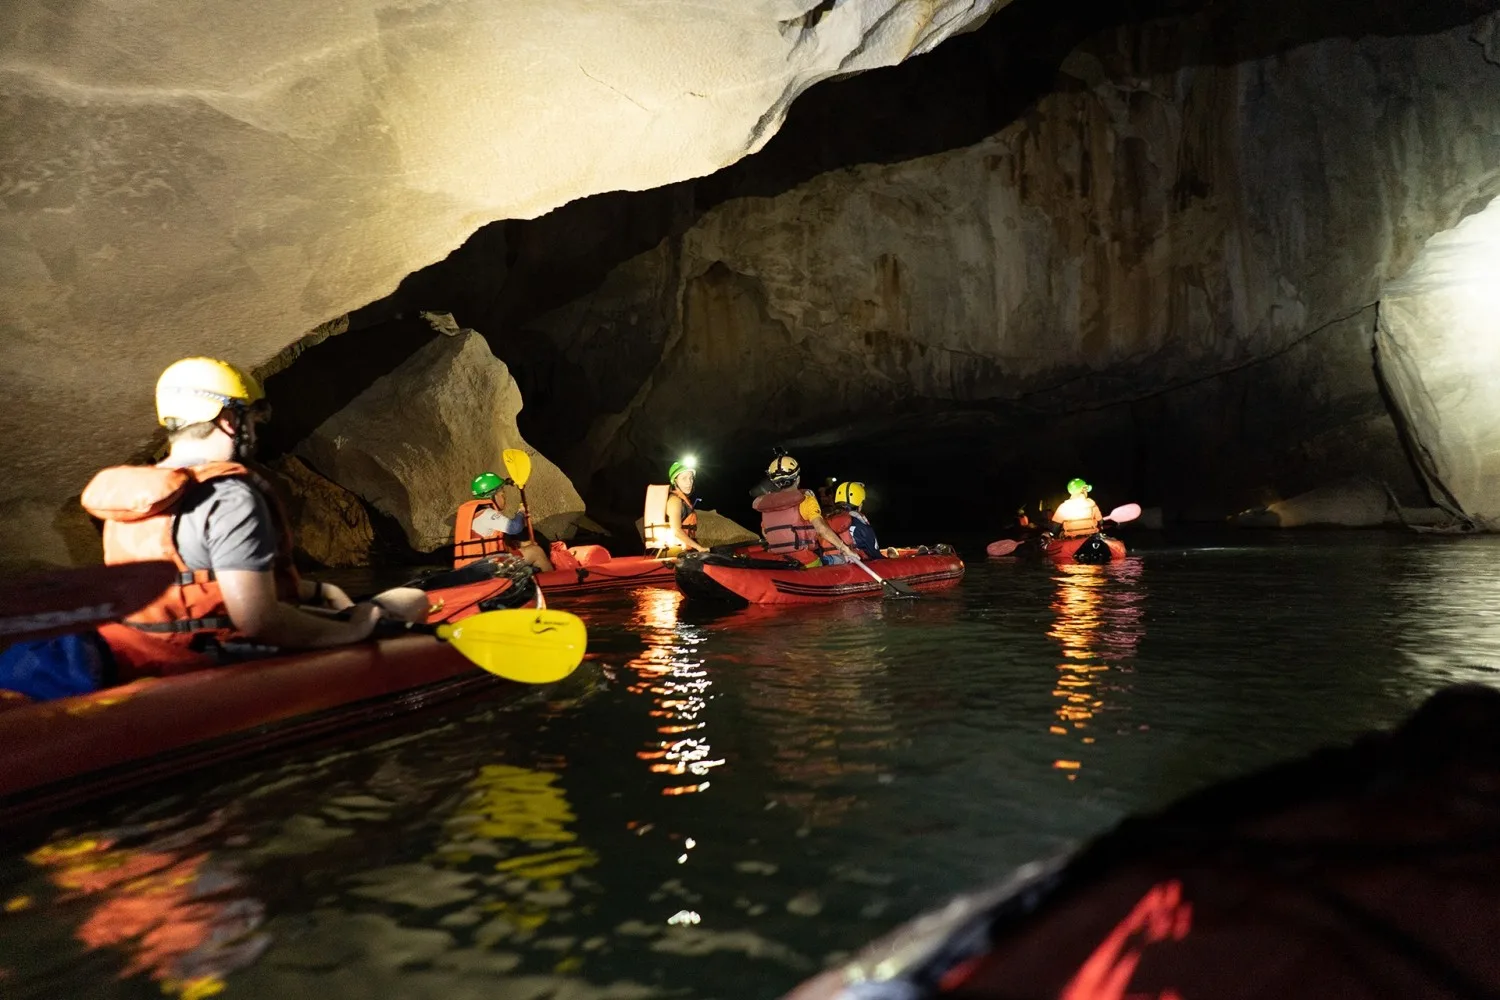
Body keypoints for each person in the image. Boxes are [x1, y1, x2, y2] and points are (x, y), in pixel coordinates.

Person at [79, 358, 393, 680]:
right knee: (406, 602)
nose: (255, 431)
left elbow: (201, 579)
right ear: (229, 421)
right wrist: (354, 631)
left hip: (146, 656)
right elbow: (258, 620)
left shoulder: (132, 496)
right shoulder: (229, 497)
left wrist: (315, 591)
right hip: (215, 662)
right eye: (252, 420)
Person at [750, 452, 861, 567]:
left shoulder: (768, 505)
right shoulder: (805, 499)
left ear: (776, 483)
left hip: (781, 562)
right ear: (797, 478)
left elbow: (765, 532)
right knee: (842, 560)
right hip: (807, 561)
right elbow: (821, 529)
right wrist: (845, 549)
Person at [456, 471, 554, 572]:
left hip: (479, 563)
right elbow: (514, 528)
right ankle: (552, 582)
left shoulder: (476, 514)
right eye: (502, 493)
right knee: (536, 551)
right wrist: (521, 512)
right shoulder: (488, 515)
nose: (504, 497)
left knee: (528, 545)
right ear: (493, 496)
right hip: (491, 565)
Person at [824, 482, 882, 560]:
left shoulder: (825, 519)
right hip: (854, 567)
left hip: (828, 564)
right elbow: (875, 554)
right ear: (860, 504)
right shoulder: (859, 524)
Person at [665, 459, 707, 553]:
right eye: (684, 478)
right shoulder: (675, 500)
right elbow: (676, 530)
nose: (689, 482)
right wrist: (699, 548)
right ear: (675, 481)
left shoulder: (683, 500)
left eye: (691, 478)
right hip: (675, 551)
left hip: (684, 549)